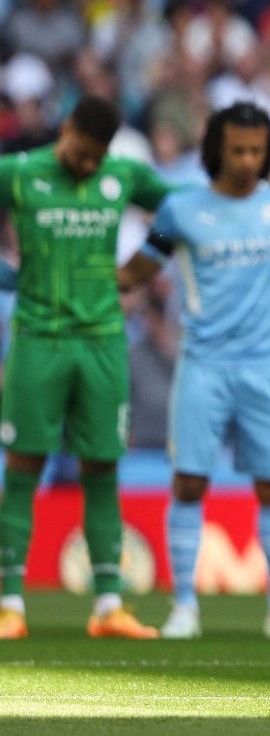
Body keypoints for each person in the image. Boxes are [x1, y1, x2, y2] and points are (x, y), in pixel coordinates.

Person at [118, 102, 270, 641]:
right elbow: (135, 272)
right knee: (189, 482)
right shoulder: (181, 210)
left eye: (257, 151)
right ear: (216, 152)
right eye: (238, 151)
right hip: (203, 365)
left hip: (265, 366)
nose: (248, 161)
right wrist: (81, 273)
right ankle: (184, 607)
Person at [0, 95, 172, 641]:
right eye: (82, 153)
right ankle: (8, 605)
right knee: (23, 467)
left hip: (101, 340)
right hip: (39, 338)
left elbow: (182, 211)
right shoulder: (20, 173)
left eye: (98, 156)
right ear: (66, 129)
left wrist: (145, 264)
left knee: (102, 468)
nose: (89, 164)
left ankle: (108, 607)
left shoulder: (123, 175)